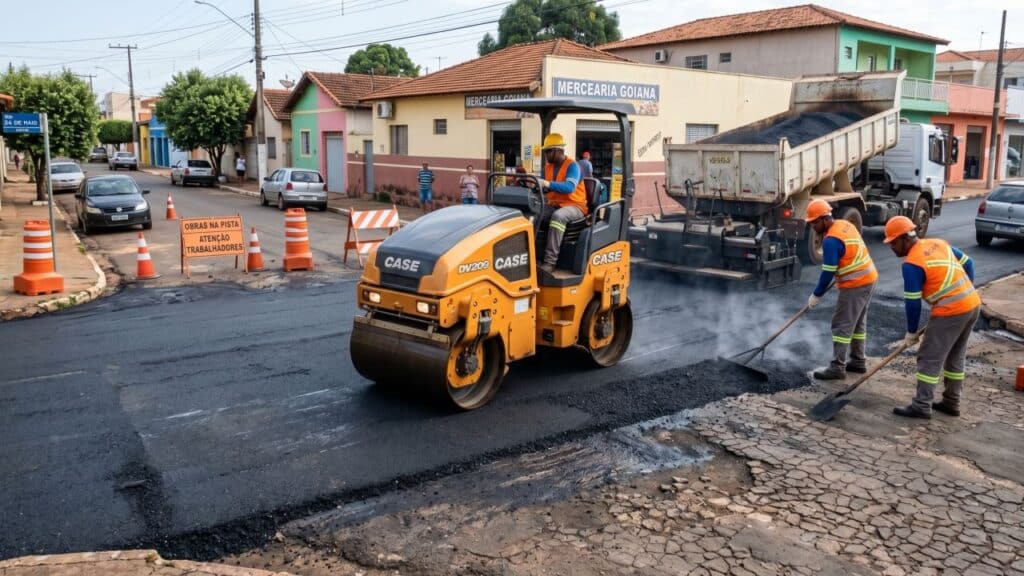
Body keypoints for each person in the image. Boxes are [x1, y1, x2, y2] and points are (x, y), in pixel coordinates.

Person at [884, 216, 981, 419]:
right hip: (972, 304)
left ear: (906, 238)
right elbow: (969, 263)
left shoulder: (912, 263)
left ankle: (921, 405)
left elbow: (912, 302)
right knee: (955, 356)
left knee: (929, 357)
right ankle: (951, 402)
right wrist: (966, 291)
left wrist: (911, 332)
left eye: (893, 242)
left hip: (951, 311)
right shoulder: (938, 243)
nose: (891, 247)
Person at [805, 200, 878, 380]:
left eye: (814, 222)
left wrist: (816, 294)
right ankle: (858, 361)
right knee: (858, 323)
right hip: (869, 277)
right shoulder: (845, 225)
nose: (813, 227)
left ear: (824, 219)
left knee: (841, 325)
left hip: (856, 284)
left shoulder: (831, 240)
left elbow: (828, 271)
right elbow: (849, 253)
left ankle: (837, 367)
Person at [535, 133, 588, 273]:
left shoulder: (573, 166)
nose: (545, 154)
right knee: (533, 214)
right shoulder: (547, 168)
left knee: (558, 217)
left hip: (575, 206)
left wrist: (547, 183)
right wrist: (535, 186)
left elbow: (569, 187)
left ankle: (550, 262)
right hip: (555, 204)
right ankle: (532, 255)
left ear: (558, 150)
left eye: (548, 151)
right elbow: (545, 188)